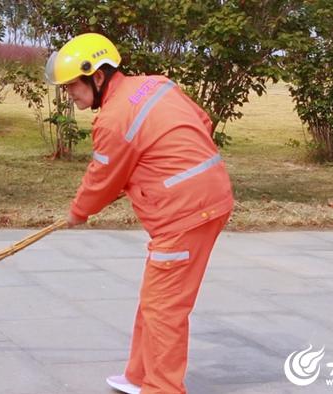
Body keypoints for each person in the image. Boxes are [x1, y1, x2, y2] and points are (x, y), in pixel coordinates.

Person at [45, 33, 234, 394]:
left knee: (165, 306)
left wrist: (77, 213)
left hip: (183, 214)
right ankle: (138, 376)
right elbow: (202, 122)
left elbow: (102, 178)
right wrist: (158, 170)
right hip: (209, 198)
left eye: (72, 86)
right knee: (157, 295)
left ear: (97, 77)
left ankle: (162, 388)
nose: (69, 94)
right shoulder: (155, 84)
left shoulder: (114, 118)